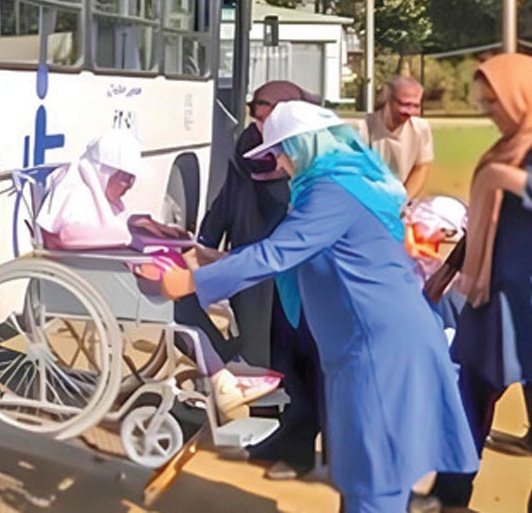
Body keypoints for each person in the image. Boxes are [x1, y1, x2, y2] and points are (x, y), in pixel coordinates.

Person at [159, 101, 478, 513]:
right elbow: (288, 257)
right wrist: (208, 258)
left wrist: (190, 281)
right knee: (374, 473)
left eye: (280, 149)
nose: (278, 160)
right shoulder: (340, 181)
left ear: (302, 145)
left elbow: (276, 255)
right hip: (375, 342)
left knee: (374, 480)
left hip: (377, 348)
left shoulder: (330, 191)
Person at [35, 129, 281, 421]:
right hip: (93, 276)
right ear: (106, 170)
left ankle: (223, 370)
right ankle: (223, 377)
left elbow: (101, 229)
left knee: (180, 291)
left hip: (105, 271)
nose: (130, 184)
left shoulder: (86, 189)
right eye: (124, 176)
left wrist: (140, 227)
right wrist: (132, 236)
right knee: (175, 296)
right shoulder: (75, 192)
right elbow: (76, 235)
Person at [198, 80, 325, 481]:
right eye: (256, 109)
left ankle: (328, 450)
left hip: (290, 269)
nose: (258, 119)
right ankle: (276, 435)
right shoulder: (248, 145)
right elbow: (227, 199)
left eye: (267, 111)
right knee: (262, 354)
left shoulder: (307, 155)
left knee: (308, 362)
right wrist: (205, 241)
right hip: (249, 263)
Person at [421, 54, 532, 513]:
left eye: (496, 100)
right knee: (466, 401)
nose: (489, 109)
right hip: (492, 305)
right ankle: (451, 496)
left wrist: (509, 180)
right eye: (484, 101)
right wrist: (447, 272)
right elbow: (483, 226)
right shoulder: (503, 150)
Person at [357, 77, 434, 198]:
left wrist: (402, 201)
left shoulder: (421, 128)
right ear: (388, 99)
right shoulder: (362, 128)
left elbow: (421, 167)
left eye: (416, 106)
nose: (410, 111)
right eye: (405, 104)